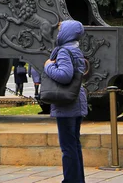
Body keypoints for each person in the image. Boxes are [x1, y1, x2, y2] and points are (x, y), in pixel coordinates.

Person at [44, 20, 88, 183]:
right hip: (76, 102)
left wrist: (48, 66)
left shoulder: (64, 51)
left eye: (61, 29)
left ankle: (70, 180)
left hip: (67, 105)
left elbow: (64, 75)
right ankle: (77, 179)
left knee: (68, 147)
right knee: (74, 145)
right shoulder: (76, 50)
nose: (58, 32)